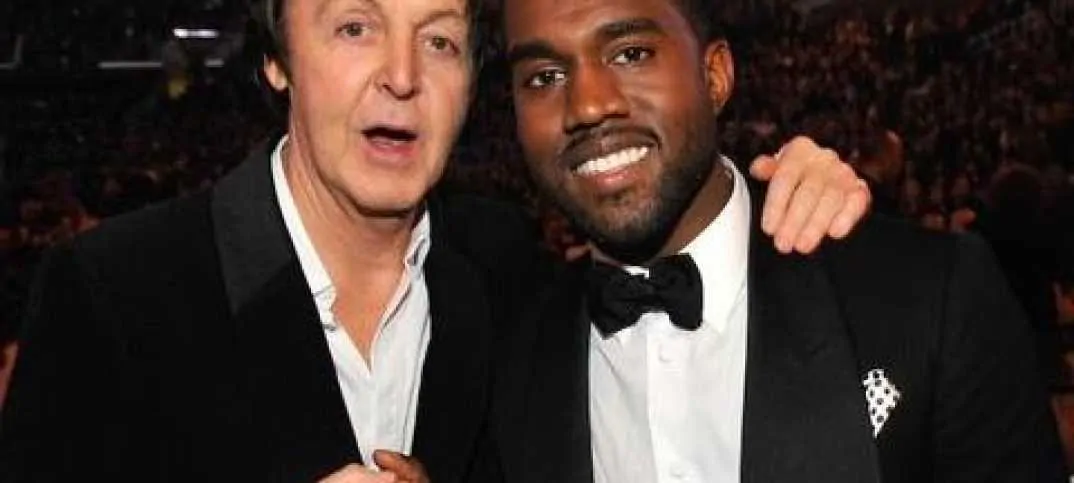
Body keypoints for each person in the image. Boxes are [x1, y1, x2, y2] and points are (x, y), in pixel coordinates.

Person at [0, 0, 870, 481]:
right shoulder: (112, 294)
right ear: (277, 58)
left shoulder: (503, 267)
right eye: (354, 26)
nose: (403, 76)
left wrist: (781, 194)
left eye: (441, 40)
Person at [488, 0, 1066, 481]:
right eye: (544, 77)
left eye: (631, 53)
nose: (588, 104)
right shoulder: (510, 357)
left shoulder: (931, 299)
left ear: (715, 77)